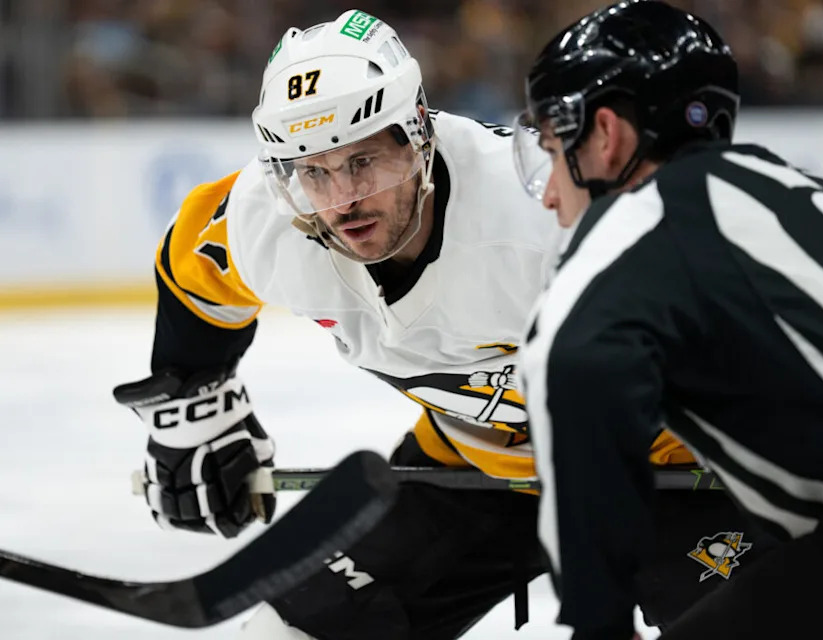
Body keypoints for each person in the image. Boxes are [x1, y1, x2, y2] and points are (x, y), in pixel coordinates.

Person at [113, 8, 767, 640]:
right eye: (315, 172)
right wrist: (195, 412)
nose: (343, 202)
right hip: (474, 464)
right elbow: (192, 267)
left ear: (418, 131)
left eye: (363, 162)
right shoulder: (266, 219)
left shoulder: (541, 215)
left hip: (665, 467)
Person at [514, 1, 823, 639]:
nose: (552, 192)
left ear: (606, 136)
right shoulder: (820, 198)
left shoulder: (635, 226)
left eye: (555, 151)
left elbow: (575, 368)